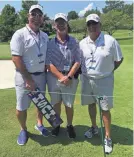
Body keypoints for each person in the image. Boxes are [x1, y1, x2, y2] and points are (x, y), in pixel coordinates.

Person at [79, 14, 123, 154]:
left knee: (104, 109)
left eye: (95, 23)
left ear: (100, 25)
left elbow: (118, 59)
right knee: (91, 105)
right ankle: (94, 127)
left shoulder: (110, 41)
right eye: (89, 24)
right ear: (87, 26)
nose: (92, 26)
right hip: (86, 79)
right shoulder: (82, 43)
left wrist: (108, 71)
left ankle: (108, 137)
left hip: (104, 80)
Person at [10, 4, 49, 145]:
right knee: (21, 106)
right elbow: (16, 58)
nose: (36, 17)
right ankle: (23, 129)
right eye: (34, 14)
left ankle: (39, 124)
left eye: (39, 15)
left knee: (40, 104)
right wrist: (28, 79)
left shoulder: (44, 36)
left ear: (42, 18)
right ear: (28, 16)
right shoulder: (19, 34)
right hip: (24, 77)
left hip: (41, 76)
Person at [46, 13, 81, 138]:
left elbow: (78, 61)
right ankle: (56, 125)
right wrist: (61, 77)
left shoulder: (74, 41)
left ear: (67, 24)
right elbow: (48, 63)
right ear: (54, 25)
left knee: (68, 104)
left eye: (63, 22)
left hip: (70, 78)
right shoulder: (49, 43)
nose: (60, 25)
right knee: (55, 103)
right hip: (54, 77)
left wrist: (69, 76)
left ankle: (69, 125)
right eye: (58, 22)